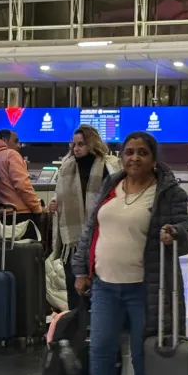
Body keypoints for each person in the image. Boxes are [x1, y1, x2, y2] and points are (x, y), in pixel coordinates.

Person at [72, 131, 188, 375]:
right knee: (100, 350)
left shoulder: (168, 193)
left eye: (142, 153)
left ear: (154, 159)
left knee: (142, 356)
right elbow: (91, 229)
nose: (134, 158)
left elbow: (187, 238)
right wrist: (80, 269)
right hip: (104, 286)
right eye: (129, 152)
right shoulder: (111, 185)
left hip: (146, 288)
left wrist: (174, 234)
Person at [49, 125, 121, 311]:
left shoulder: (109, 165)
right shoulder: (67, 167)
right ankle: (77, 328)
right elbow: (61, 196)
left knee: (98, 288)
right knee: (74, 287)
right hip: (72, 241)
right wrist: (55, 203)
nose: (76, 149)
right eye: (74, 145)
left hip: (100, 235)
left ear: (91, 143)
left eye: (81, 144)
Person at [0, 129, 43, 217]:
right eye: (16, 141)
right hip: (18, 213)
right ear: (4, 140)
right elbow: (22, 186)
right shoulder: (11, 155)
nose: (19, 146)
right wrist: (37, 208)